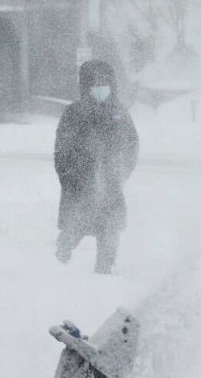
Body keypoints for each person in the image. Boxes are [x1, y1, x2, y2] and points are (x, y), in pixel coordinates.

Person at [54, 60, 139, 274]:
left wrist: (122, 172)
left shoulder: (119, 112)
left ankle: (104, 270)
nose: (100, 86)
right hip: (80, 184)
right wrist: (70, 177)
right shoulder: (74, 113)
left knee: (109, 228)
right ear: (86, 85)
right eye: (95, 82)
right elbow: (62, 151)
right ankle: (60, 260)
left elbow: (132, 143)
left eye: (104, 81)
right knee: (75, 226)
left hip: (110, 183)